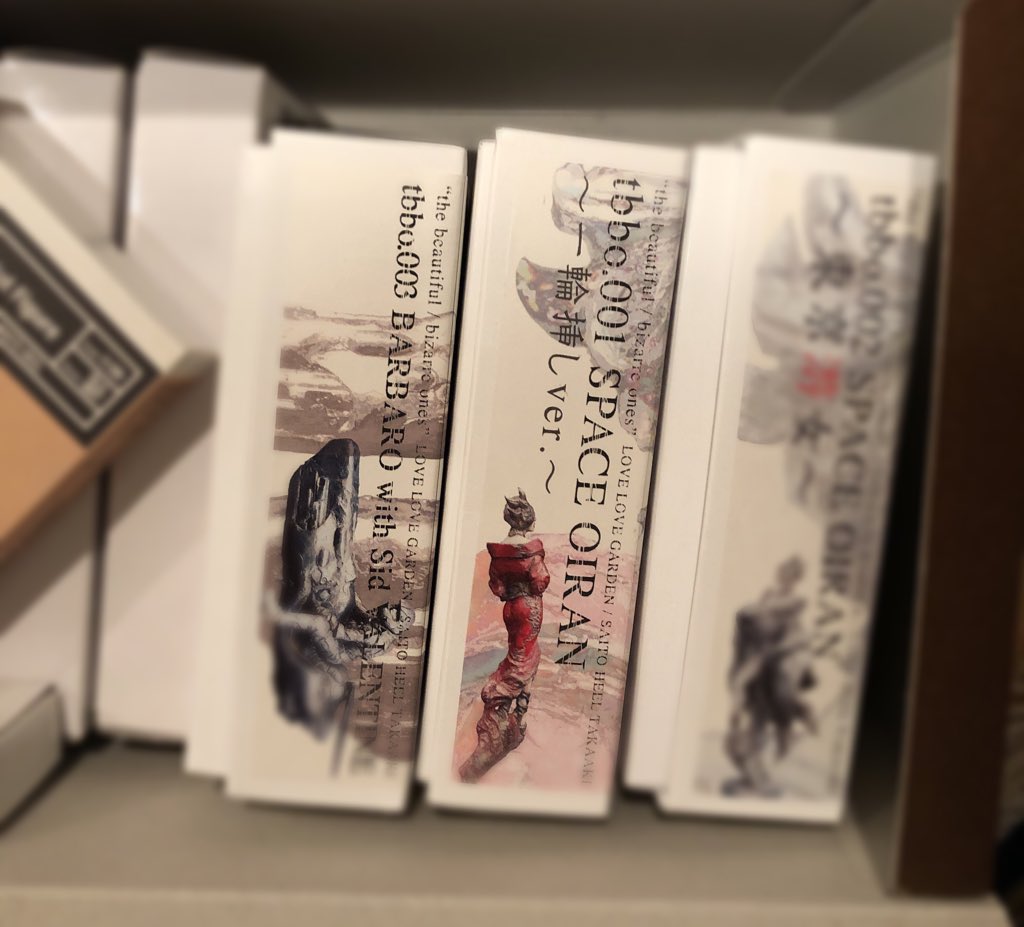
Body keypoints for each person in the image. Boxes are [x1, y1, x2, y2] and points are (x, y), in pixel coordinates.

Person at [459, 489, 551, 783]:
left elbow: (496, 587)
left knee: (519, 653)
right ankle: (500, 697)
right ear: (528, 521)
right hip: (527, 608)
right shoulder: (531, 553)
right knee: (523, 658)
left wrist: (511, 589)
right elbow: (541, 582)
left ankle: (513, 712)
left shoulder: (499, 553)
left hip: (510, 608)